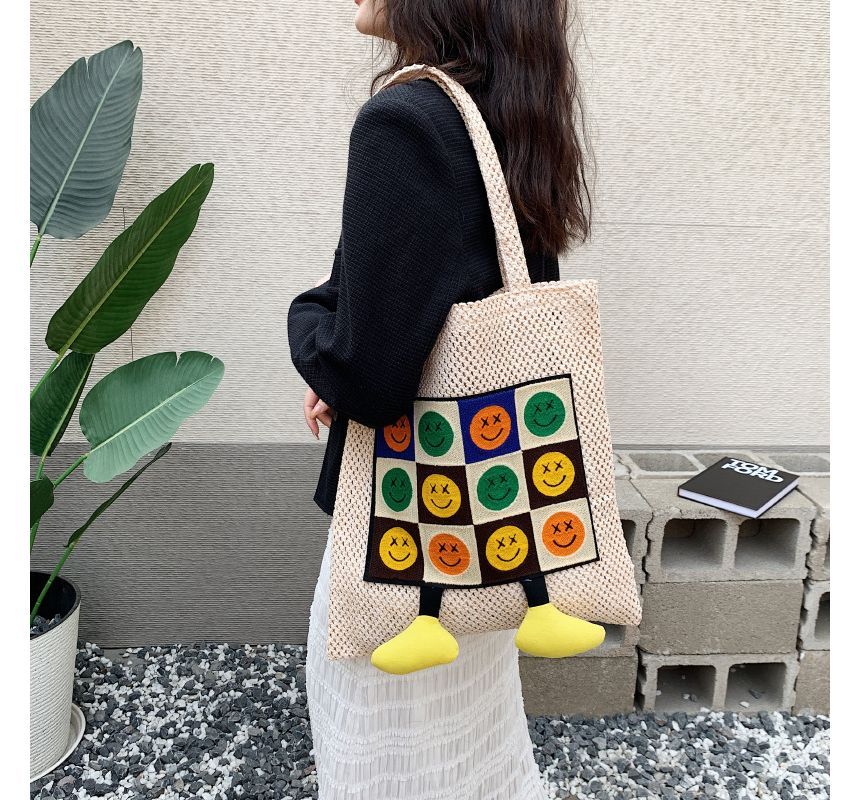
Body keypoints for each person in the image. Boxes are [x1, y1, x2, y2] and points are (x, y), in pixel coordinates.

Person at [287, 0, 593, 796]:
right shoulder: (513, 113)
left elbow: (371, 375)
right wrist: (360, 345)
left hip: (406, 520)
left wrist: (314, 335)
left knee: (376, 738)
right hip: (493, 514)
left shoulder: (405, 121)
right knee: (465, 744)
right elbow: (471, 304)